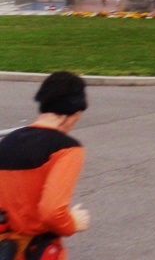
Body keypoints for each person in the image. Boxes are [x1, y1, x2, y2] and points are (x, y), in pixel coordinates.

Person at [0, 72, 91, 258]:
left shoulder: (8, 142)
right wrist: (72, 223)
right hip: (37, 249)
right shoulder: (67, 149)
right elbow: (52, 211)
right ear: (74, 113)